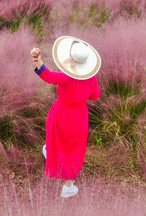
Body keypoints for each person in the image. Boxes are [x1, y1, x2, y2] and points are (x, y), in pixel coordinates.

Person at [31, 36, 101, 199]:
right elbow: (95, 95)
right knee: (73, 148)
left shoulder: (65, 77)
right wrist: (80, 96)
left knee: (55, 135)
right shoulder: (91, 78)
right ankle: (68, 186)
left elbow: (47, 75)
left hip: (61, 111)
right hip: (79, 115)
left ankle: (52, 153)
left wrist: (36, 58)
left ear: (72, 59)